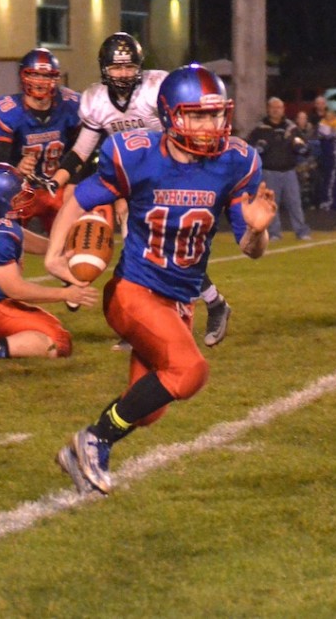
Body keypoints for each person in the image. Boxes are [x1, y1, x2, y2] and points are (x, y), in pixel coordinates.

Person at [44, 64, 277, 494]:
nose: (211, 126)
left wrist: (258, 230)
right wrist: (54, 257)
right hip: (134, 290)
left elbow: (251, 250)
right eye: (199, 115)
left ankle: (87, 447)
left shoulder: (234, 163)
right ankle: (93, 442)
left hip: (178, 301)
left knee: (147, 408)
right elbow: (79, 198)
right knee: (189, 371)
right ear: (170, 116)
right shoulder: (136, 154)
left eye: (216, 115)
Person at [61, 32, 235, 348]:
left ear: (140, 67)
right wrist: (56, 178)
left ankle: (195, 307)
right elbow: (82, 149)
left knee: (167, 250)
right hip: (135, 177)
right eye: (116, 68)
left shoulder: (155, 90)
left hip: (167, 171)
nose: (123, 74)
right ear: (104, 69)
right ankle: (160, 318)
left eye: (129, 67)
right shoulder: (96, 101)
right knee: (144, 249)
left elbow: (180, 123)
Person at [0, 163, 98, 364]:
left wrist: (57, 250)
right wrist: (65, 294)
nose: (24, 199)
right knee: (59, 342)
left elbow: (19, 236)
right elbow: (16, 289)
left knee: (50, 329)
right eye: (17, 196)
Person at [0, 47, 81, 235]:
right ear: (23, 76)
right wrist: (16, 167)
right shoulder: (8, 110)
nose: (40, 82)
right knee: (6, 240)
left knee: (70, 245)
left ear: (55, 79)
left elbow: (81, 151)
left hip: (57, 187)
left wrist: (73, 183)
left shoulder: (71, 105)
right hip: (21, 189)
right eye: (35, 75)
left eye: (47, 76)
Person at [246, 96, 312, 241]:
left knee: (295, 203)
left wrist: (300, 147)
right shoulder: (260, 129)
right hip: (269, 171)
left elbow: (305, 147)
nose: (276, 110)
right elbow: (249, 148)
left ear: (283, 110)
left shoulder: (291, 127)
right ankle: (274, 232)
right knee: (270, 205)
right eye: (273, 107)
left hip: (289, 171)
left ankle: (301, 231)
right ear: (268, 109)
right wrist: (258, 149)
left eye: (279, 108)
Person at [315, 109, 336, 211]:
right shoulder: (322, 125)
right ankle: (328, 203)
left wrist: (335, 130)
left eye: (332, 116)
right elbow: (326, 134)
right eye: (328, 116)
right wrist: (332, 131)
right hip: (329, 158)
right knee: (329, 180)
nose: (330, 118)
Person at [293, 110, 318, 208]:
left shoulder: (312, 131)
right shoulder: (293, 132)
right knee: (300, 173)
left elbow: (315, 146)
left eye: (304, 118)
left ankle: (313, 200)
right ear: (297, 120)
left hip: (310, 160)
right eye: (300, 118)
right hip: (297, 161)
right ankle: (300, 201)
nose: (302, 120)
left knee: (315, 174)